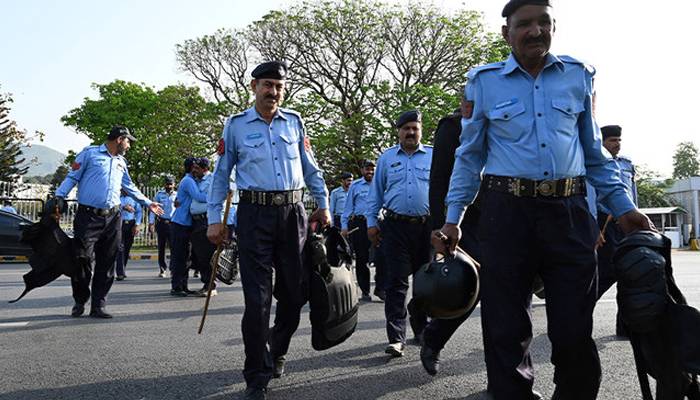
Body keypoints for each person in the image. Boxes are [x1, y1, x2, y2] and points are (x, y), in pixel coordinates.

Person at [437, 2, 654, 399]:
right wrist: (454, 219)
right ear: (507, 33)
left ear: (555, 26)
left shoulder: (578, 76)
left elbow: (593, 153)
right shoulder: (483, 83)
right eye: (524, 24)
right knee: (505, 327)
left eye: (543, 22)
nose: (535, 31)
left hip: (568, 214)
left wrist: (624, 208)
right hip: (507, 214)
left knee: (573, 328)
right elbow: (468, 157)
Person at [206, 61, 330, 400]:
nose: (273, 92)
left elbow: (311, 168)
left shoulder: (295, 122)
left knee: (295, 294)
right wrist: (214, 219)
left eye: (278, 86)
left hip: (294, 214)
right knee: (257, 299)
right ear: (253, 86)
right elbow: (220, 175)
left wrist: (324, 202)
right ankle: (256, 376)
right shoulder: (235, 126)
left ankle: (277, 348)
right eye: (267, 85)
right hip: (253, 214)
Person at [52, 126, 163, 319]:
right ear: (119, 139)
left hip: (113, 218)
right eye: (128, 141)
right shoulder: (89, 154)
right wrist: (59, 196)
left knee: (107, 262)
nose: (128, 146)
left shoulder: (121, 162)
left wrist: (147, 203)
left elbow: (129, 186)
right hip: (88, 217)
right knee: (82, 260)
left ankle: (98, 305)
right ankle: (80, 300)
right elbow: (72, 176)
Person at [420, 108, 483, 376]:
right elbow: (438, 180)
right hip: (463, 222)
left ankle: (507, 379)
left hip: (505, 217)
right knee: (465, 288)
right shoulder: (452, 126)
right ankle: (433, 339)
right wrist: (440, 226)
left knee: (506, 298)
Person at [366, 110, 432, 358]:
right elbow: (376, 194)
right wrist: (372, 224)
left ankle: (422, 330)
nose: (411, 133)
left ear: (420, 130)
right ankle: (396, 338)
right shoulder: (386, 158)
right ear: (399, 132)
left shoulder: (433, 156)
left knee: (425, 283)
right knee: (396, 284)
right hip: (394, 227)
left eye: (415, 128)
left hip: (426, 228)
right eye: (406, 129)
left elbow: (444, 192)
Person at [595, 125, 638, 337]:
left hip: (627, 222)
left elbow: (632, 194)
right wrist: (594, 227)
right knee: (605, 272)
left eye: (618, 140)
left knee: (629, 274)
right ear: (601, 142)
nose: (617, 144)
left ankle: (625, 325)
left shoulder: (627, 164)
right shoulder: (595, 163)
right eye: (612, 140)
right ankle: (578, 313)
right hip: (604, 222)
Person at [169, 157, 207, 297]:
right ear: (191, 168)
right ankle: (177, 286)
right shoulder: (188, 181)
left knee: (186, 257)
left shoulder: (192, 180)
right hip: (180, 224)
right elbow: (199, 196)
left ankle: (183, 285)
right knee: (180, 257)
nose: (197, 168)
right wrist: (216, 196)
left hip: (186, 223)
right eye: (195, 166)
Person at [341, 160, 375, 301]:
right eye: (367, 169)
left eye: (373, 169)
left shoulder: (382, 184)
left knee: (384, 257)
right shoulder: (355, 186)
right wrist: (344, 226)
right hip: (360, 224)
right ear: (362, 170)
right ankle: (365, 291)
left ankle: (381, 288)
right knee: (362, 259)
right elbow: (348, 208)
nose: (370, 172)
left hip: (379, 224)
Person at [189, 157, 217, 296]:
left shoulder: (212, 180)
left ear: (204, 169)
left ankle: (210, 285)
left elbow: (214, 198)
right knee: (200, 255)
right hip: (195, 221)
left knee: (207, 255)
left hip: (206, 220)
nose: (194, 170)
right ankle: (206, 283)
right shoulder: (195, 181)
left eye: (197, 168)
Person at [149, 176, 177, 277]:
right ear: (164, 184)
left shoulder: (177, 195)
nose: (169, 186)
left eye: (170, 184)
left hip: (173, 223)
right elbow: (153, 209)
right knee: (161, 247)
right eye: (167, 184)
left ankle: (173, 268)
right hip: (161, 222)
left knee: (174, 247)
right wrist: (151, 223)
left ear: (174, 185)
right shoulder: (159, 195)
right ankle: (162, 269)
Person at [115, 189, 142, 281]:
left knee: (127, 248)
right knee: (120, 248)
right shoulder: (117, 197)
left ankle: (123, 268)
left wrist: (137, 225)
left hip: (131, 224)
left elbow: (139, 212)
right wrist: (123, 207)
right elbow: (113, 207)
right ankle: (120, 273)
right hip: (119, 224)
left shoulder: (134, 198)